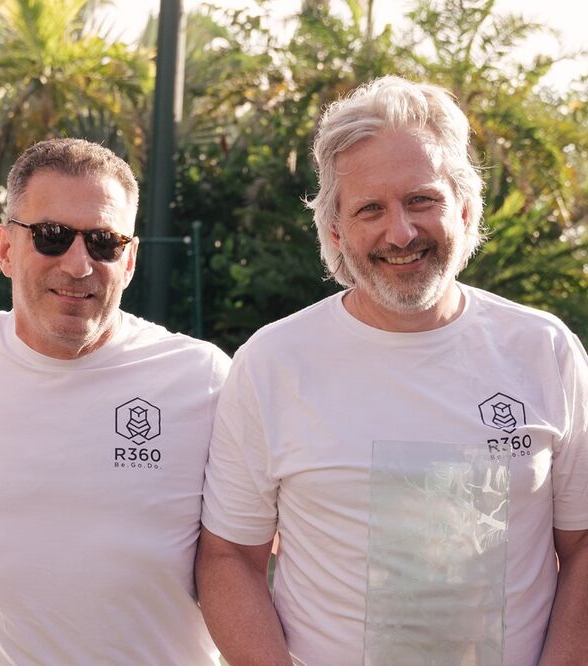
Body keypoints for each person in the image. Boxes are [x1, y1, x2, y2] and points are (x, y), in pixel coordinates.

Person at [196, 76, 588, 665]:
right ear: (335, 230)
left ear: (462, 205)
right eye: (370, 209)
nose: (400, 232)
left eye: (421, 200)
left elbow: (583, 544)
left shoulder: (544, 350)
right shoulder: (273, 364)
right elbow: (228, 557)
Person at [0, 138, 231, 663]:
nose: (79, 263)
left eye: (104, 242)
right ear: (5, 249)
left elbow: (266, 546)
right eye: (52, 236)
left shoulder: (201, 379)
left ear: (129, 260)